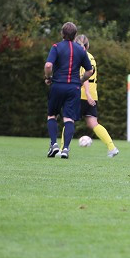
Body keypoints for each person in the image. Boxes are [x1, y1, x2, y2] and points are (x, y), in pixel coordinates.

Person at [44, 22, 93, 159]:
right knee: (69, 118)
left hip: (58, 85)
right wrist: (81, 80)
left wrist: (48, 77)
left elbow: (48, 65)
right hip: (74, 87)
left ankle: (54, 144)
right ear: (75, 35)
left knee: (52, 115)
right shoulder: (81, 50)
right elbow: (89, 71)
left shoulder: (56, 47)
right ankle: (65, 149)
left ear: (62, 33)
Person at [73, 34, 120, 158]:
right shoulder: (91, 57)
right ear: (88, 45)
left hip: (81, 93)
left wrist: (87, 94)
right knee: (93, 123)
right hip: (93, 94)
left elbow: (85, 78)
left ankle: (63, 149)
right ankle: (112, 147)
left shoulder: (79, 57)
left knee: (69, 120)